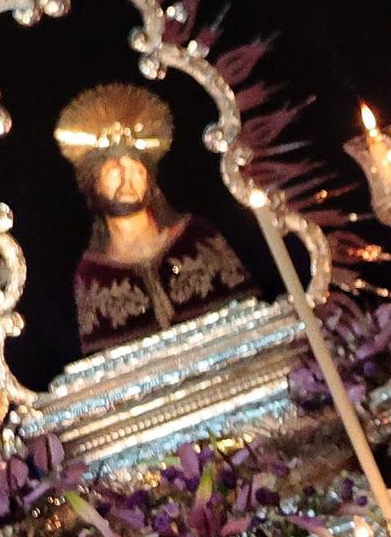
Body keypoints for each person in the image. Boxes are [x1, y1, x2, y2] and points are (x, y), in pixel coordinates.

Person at [57, 84, 253, 355]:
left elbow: (247, 317)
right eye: (114, 169)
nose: (127, 178)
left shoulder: (197, 238)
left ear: (149, 179)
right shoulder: (93, 275)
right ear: (94, 184)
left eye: (135, 168)